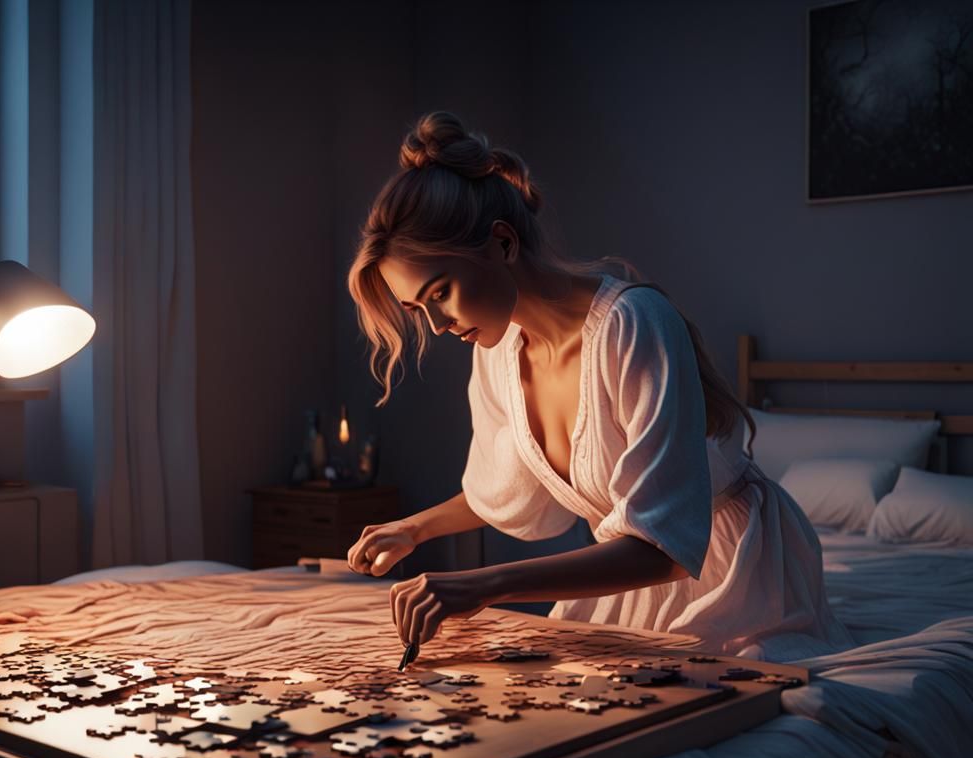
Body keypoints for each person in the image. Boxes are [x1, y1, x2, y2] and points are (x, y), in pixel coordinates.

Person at [345, 111, 851, 661]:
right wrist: (413, 530)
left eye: (440, 292)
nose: (438, 324)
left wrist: (481, 584)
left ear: (503, 244)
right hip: (622, 580)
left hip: (732, 573)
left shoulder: (635, 324)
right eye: (421, 309)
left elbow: (665, 547)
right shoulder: (496, 347)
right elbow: (501, 491)